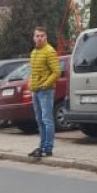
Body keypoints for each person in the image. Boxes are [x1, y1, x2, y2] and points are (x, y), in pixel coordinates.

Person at [27, 26, 60, 159]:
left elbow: (56, 72)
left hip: (46, 91)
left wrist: (45, 84)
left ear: (46, 37)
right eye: (37, 36)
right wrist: (30, 83)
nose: (39, 38)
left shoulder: (50, 51)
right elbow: (33, 71)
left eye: (42, 35)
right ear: (34, 38)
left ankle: (48, 147)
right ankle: (41, 146)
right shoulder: (34, 52)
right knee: (39, 120)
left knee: (47, 120)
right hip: (35, 90)